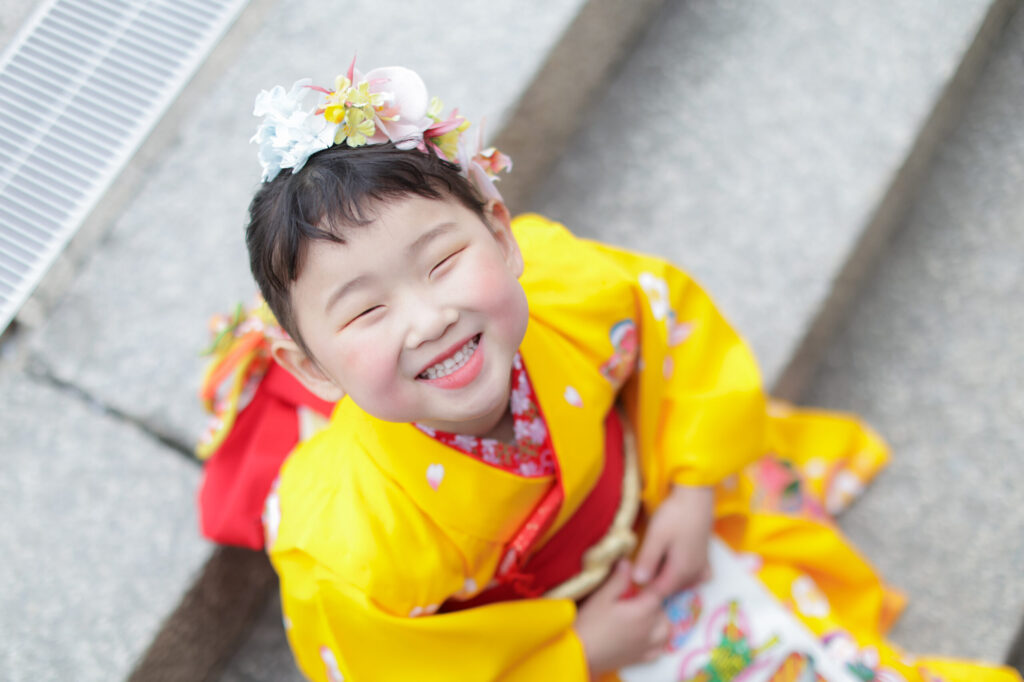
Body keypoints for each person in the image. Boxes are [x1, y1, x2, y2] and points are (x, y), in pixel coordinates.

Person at [196, 59, 1022, 682]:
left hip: (651, 513)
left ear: (501, 232)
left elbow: (673, 325)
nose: (428, 318)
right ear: (310, 365)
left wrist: (692, 490)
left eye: (442, 261)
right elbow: (391, 664)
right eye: (365, 311)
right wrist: (577, 653)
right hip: (545, 639)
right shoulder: (349, 540)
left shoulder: (573, 288)